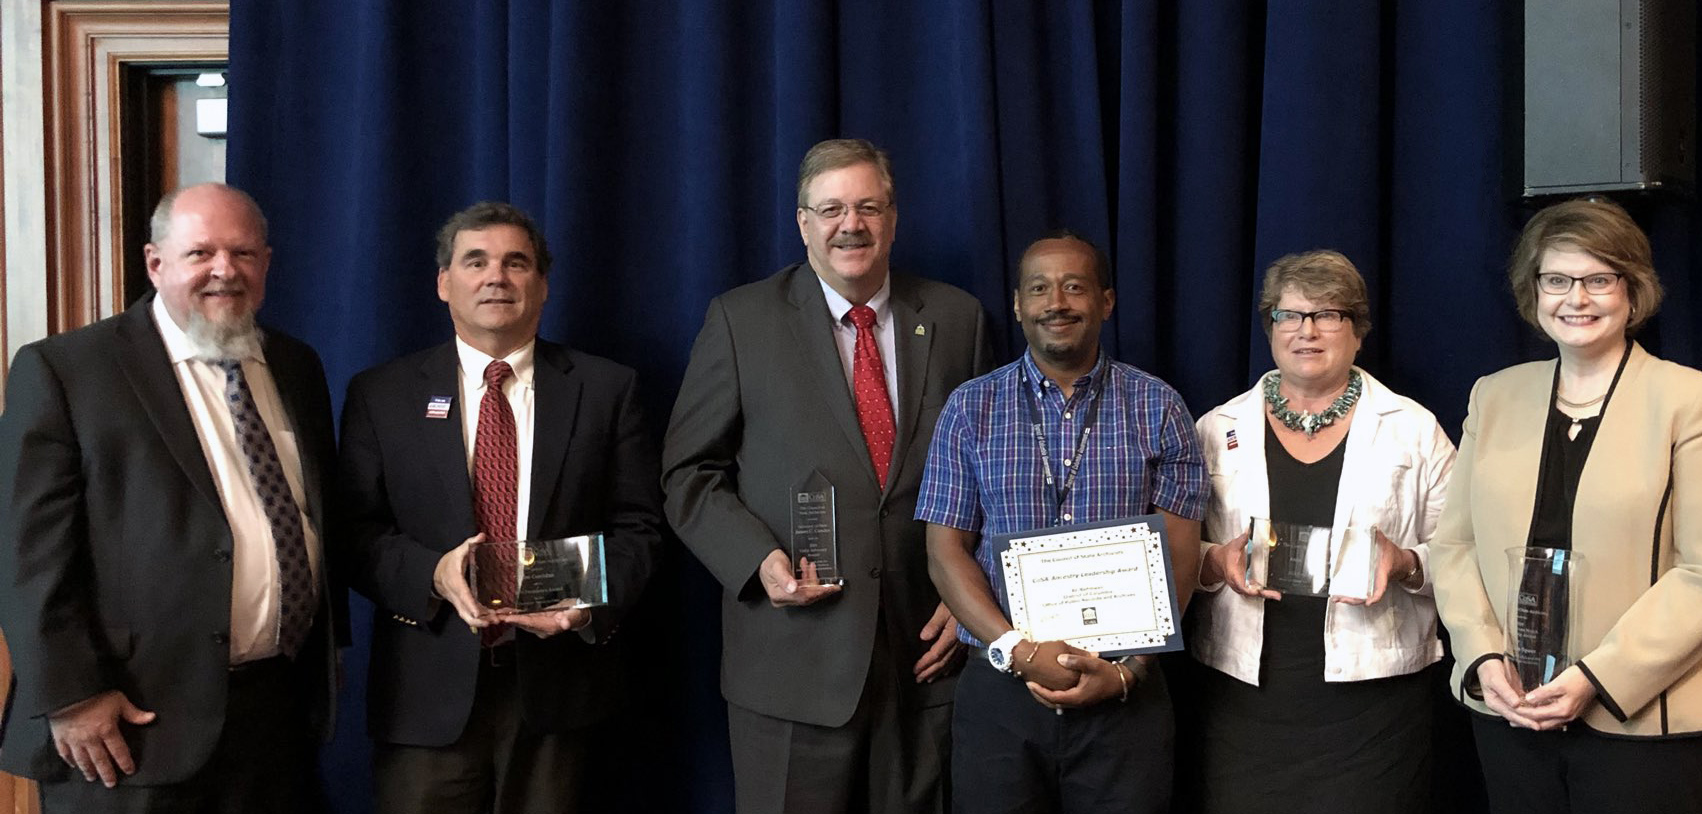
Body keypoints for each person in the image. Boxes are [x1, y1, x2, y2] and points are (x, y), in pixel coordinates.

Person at [662, 138, 991, 814]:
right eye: (832, 209)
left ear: (893, 220)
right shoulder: (740, 320)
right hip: (791, 666)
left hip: (926, 662)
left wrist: (969, 592)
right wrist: (756, 563)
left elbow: (993, 470)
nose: (852, 225)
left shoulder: (957, 318)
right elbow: (688, 473)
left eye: (868, 207)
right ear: (803, 223)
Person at [0, 183, 340, 813]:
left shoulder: (296, 365)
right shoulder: (70, 369)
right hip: (127, 725)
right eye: (200, 253)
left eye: (242, 253)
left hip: (275, 717)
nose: (224, 271)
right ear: (155, 263)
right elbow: (26, 554)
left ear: (266, 263)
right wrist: (72, 695)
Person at [1428, 199, 1702, 814]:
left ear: (1633, 291)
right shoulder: (1493, 396)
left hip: (1645, 721)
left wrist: (1596, 678)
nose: (1576, 297)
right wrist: (1482, 654)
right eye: (1557, 280)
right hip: (1512, 710)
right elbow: (1454, 546)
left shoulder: (1694, 401)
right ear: (1534, 291)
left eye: (1598, 279)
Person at [337, 201, 663, 813]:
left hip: (559, 691)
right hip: (425, 693)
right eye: (476, 261)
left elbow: (640, 531)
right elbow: (353, 534)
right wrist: (432, 572)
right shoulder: (381, 394)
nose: (497, 277)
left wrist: (585, 605)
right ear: (443, 282)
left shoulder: (606, 389)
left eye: (517, 263)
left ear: (542, 284)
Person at [917, 232, 1206, 814]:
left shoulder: (1160, 407)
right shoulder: (970, 408)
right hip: (999, 697)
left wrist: (1129, 673)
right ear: (1019, 304)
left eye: (1075, 286)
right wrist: (1018, 649)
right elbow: (944, 552)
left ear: (1106, 300)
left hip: (1126, 698)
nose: (1058, 302)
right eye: (1040, 288)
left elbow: (1181, 557)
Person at [1184, 249, 1455, 813]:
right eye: (1289, 315)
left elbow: (1462, 552)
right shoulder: (1216, 427)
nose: (1307, 331)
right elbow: (1183, 547)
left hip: (1374, 705)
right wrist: (1215, 562)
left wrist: (1404, 563)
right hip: (1246, 702)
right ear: (1270, 328)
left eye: (1328, 314)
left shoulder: (1414, 428)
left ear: (1357, 331)